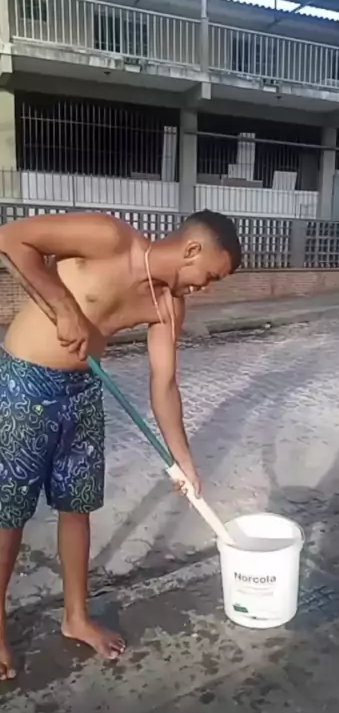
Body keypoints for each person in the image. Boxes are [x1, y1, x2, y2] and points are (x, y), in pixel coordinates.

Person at [0, 209, 241, 679]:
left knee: (77, 506)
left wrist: (183, 461)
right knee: (8, 514)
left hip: (84, 391)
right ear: (192, 249)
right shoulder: (109, 237)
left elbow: (164, 384)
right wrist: (64, 307)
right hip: (24, 383)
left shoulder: (168, 306)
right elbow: (10, 238)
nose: (205, 287)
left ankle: (76, 617)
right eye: (210, 275)